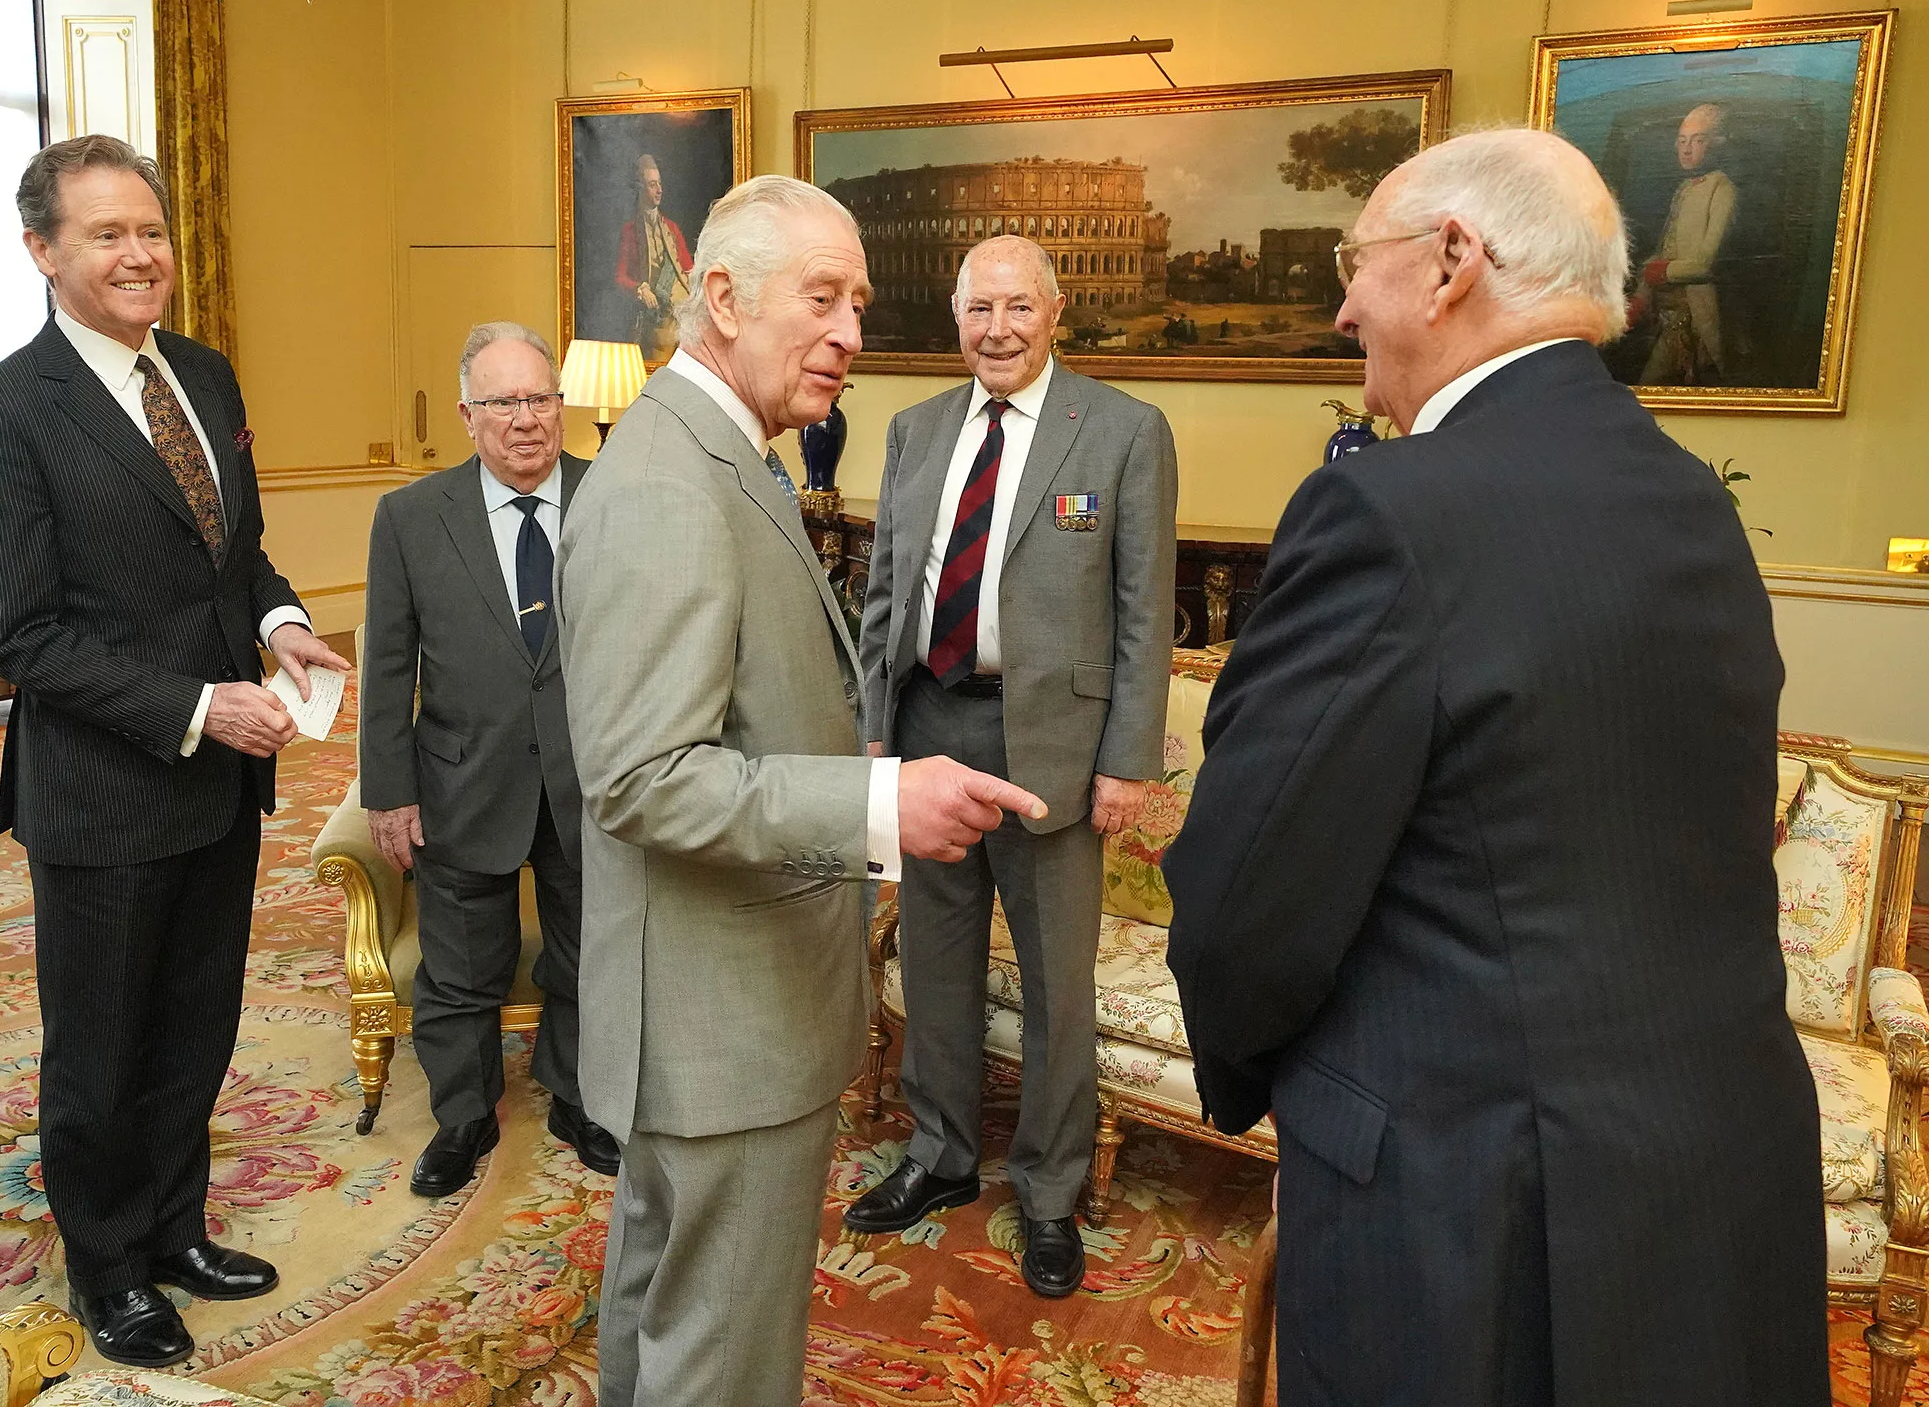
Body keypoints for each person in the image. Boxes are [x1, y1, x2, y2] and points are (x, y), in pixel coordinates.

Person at [1162, 127, 1825, 1406]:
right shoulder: (1689, 497)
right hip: (1716, 1166)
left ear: (1451, 260)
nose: (1342, 307)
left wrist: (1261, 1076)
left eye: (1355, 263)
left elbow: (1248, 888)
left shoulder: (1386, 511)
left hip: (1469, 1198)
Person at [556, 174, 1047, 1407]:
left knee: (668, 1318)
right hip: (720, 1022)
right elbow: (644, 780)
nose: (849, 333)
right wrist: (877, 809)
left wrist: (862, 773)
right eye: (822, 299)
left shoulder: (724, 454)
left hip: (726, 1008)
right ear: (721, 299)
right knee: (719, 1357)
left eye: (859, 305)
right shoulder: (668, 481)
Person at [0, 135, 350, 1367]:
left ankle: (174, 1229)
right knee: (101, 1053)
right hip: (103, 795)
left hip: (219, 788)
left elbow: (237, 555)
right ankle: (109, 1268)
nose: (141, 255)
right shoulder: (4, 410)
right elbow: (20, 633)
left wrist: (282, 623)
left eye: (152, 230)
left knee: (195, 1025)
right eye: (108, 234)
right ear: (42, 251)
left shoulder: (205, 375)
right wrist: (197, 706)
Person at [844, 234, 1177, 1298]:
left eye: (1018, 307)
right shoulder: (914, 429)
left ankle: (1048, 1189)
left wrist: (1125, 761)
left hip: (1054, 754)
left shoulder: (1123, 431)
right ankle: (939, 1153)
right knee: (935, 963)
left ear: (1055, 311)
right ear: (956, 318)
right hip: (929, 729)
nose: (997, 329)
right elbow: (885, 593)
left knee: (1055, 984)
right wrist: (873, 731)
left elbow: (1143, 615)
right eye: (978, 309)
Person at [358, 321, 616, 1198]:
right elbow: (387, 667)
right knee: (461, 965)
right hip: (462, 778)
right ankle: (463, 1114)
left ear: (561, 405)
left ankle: (577, 1096)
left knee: (588, 951)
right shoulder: (410, 517)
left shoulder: (614, 493)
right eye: (502, 402)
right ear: (467, 415)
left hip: (591, 778)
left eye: (539, 398)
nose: (524, 419)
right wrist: (389, 792)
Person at [1632, 103, 1737, 384]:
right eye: (1682, 141)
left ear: (1716, 143)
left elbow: (1705, 264)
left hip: (1699, 318)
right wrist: (1642, 295)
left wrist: (1662, 272)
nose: (1687, 150)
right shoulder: (1684, 189)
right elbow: (1665, 249)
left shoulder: (1722, 189)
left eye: (1697, 141)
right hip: (1670, 320)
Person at [614, 153, 694, 364]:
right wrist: (641, 289)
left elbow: (688, 270)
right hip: (651, 322)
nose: (659, 190)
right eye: (652, 185)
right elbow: (620, 277)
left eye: (659, 184)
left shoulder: (671, 229)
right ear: (640, 188)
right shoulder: (630, 231)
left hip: (677, 318)